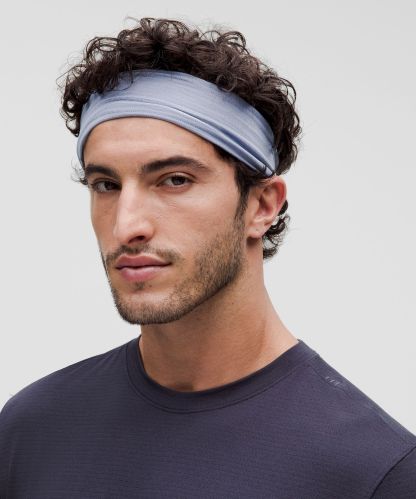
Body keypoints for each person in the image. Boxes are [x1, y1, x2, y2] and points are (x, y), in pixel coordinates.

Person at [0, 16, 415, 498]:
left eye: (174, 180)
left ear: (261, 206)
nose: (126, 226)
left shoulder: (374, 472)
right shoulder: (31, 430)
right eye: (106, 185)